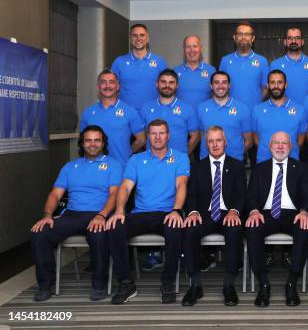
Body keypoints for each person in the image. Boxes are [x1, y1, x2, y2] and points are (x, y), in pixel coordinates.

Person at [31, 126, 121, 302]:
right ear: (82, 143)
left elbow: (114, 194)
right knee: (39, 233)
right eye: (88, 140)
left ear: (103, 143)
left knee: (99, 235)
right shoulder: (70, 167)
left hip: (98, 214)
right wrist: (47, 215)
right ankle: (45, 285)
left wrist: (102, 215)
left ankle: (99, 285)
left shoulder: (113, 165)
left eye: (97, 140)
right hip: (71, 215)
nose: (92, 144)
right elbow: (55, 194)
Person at [106, 119, 189, 304]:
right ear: (148, 136)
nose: (158, 137)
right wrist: (119, 211)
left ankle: (167, 283)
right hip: (140, 214)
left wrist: (176, 210)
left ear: (168, 136)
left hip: (167, 214)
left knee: (175, 231)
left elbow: (181, 184)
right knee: (114, 228)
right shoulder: (136, 159)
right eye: (153, 133)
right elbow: (126, 187)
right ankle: (126, 283)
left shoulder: (181, 157)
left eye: (161, 133)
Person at [245, 131, 308, 307]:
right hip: (265, 214)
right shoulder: (260, 169)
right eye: (277, 143)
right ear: (270, 146)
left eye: (284, 143)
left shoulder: (302, 168)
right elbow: (251, 195)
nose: (280, 146)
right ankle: (263, 283)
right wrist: (253, 211)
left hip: (293, 214)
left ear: (290, 147)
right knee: (252, 228)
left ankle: (292, 282)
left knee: (304, 228)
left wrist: (305, 211)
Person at [181, 126, 246, 307]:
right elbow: (191, 194)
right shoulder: (197, 167)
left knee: (234, 230)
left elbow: (242, 195)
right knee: (189, 230)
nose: (215, 144)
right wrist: (193, 212)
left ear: (225, 143)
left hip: (228, 213)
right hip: (204, 214)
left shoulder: (237, 166)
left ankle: (229, 284)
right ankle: (195, 284)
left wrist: (234, 211)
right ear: (206, 144)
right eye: (211, 141)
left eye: (218, 140)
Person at [80, 69, 145, 166]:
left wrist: (127, 153)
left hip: (121, 169)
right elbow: (83, 141)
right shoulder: (88, 113)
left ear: (118, 86)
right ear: (98, 86)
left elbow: (141, 139)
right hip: (94, 169)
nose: (107, 86)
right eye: (103, 82)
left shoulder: (130, 111)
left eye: (111, 82)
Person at [140, 69, 200, 156]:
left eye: (171, 82)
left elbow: (195, 136)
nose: (167, 85)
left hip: (178, 164)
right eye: (163, 82)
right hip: (152, 162)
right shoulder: (146, 108)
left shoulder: (188, 109)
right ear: (157, 84)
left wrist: (184, 156)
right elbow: (142, 137)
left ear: (177, 86)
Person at [251, 70, 307, 163]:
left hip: (292, 162)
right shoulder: (257, 110)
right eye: (272, 82)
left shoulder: (300, 110)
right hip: (264, 162)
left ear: (286, 85)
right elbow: (255, 138)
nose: (276, 86)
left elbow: (300, 141)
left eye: (280, 82)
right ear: (268, 86)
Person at [111, 23, 168, 111]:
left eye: (142, 35)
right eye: (135, 35)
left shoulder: (160, 62)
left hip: (153, 113)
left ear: (147, 38)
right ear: (130, 39)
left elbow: (167, 90)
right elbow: (111, 89)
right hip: (127, 114)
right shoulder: (119, 62)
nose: (138, 38)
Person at [197, 71, 252, 161]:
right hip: (207, 162)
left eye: (224, 82)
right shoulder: (201, 108)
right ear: (211, 86)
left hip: (235, 163)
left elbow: (249, 140)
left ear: (229, 85)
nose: (220, 86)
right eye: (216, 82)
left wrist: (236, 155)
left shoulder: (242, 108)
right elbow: (199, 135)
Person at [219, 21, 269, 111]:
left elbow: (266, 87)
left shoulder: (262, 61)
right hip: (230, 112)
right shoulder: (225, 61)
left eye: (247, 34)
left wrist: (256, 101)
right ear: (234, 37)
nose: (243, 37)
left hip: (254, 111)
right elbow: (220, 87)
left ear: (253, 38)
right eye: (240, 34)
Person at [270, 27, 308, 104]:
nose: (293, 41)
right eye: (290, 38)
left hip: (307, 113)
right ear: (285, 42)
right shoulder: (275, 65)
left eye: (297, 38)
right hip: (284, 113)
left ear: (302, 42)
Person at [174, 35, 216, 109]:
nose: (191, 50)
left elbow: (216, 98)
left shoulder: (211, 71)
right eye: (188, 47)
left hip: (203, 118)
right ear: (184, 49)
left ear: (201, 48)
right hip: (181, 118)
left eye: (195, 46)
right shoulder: (175, 71)